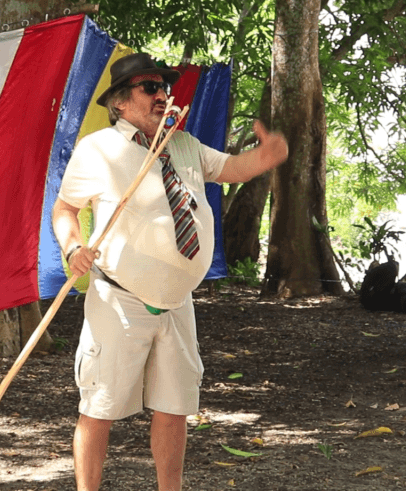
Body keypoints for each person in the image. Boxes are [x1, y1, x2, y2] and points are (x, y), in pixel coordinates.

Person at [52, 53, 288, 491]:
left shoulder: (184, 144)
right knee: (99, 407)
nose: (161, 94)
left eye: (164, 87)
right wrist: (73, 248)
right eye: (150, 87)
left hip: (178, 303)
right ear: (120, 102)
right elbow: (65, 208)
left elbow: (233, 169)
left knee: (174, 406)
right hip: (118, 298)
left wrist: (267, 155)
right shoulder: (98, 149)